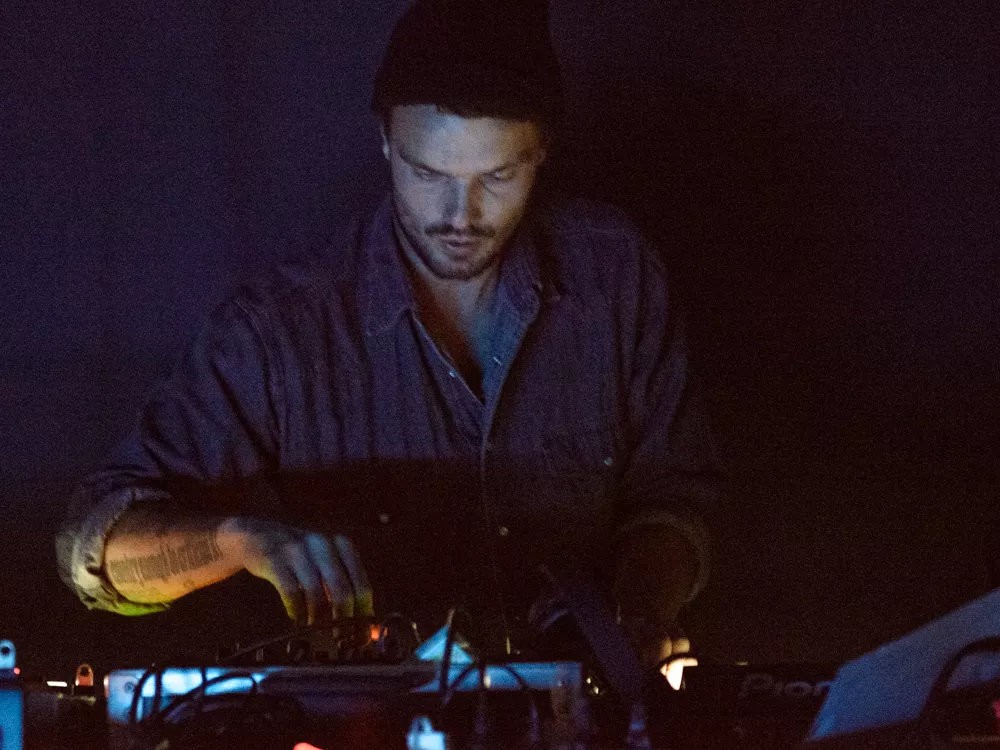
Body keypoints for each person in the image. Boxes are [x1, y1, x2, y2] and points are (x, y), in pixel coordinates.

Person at [57, 0, 724, 664]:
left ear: (542, 148)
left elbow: (676, 499)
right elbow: (92, 551)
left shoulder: (615, 276)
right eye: (427, 173)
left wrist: (632, 616)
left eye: (498, 176)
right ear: (384, 140)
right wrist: (238, 542)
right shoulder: (283, 328)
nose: (459, 214)